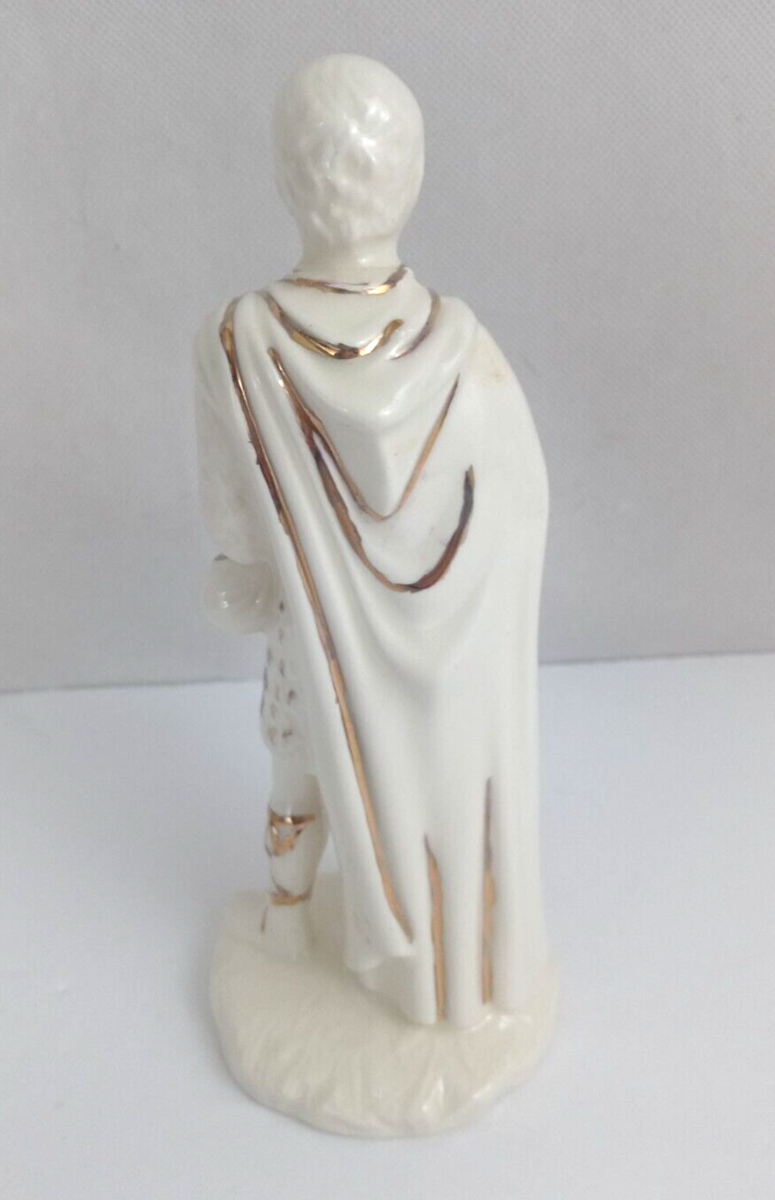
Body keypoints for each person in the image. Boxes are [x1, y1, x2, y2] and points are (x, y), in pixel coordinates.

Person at [194, 54, 550, 1029]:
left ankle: (286, 919)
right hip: (452, 667)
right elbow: (519, 504)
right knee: (444, 790)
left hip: (308, 635)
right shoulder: (465, 344)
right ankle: (446, 945)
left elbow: (235, 524)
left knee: (297, 762)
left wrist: (246, 581)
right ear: (415, 176)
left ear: (283, 176)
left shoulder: (239, 339)